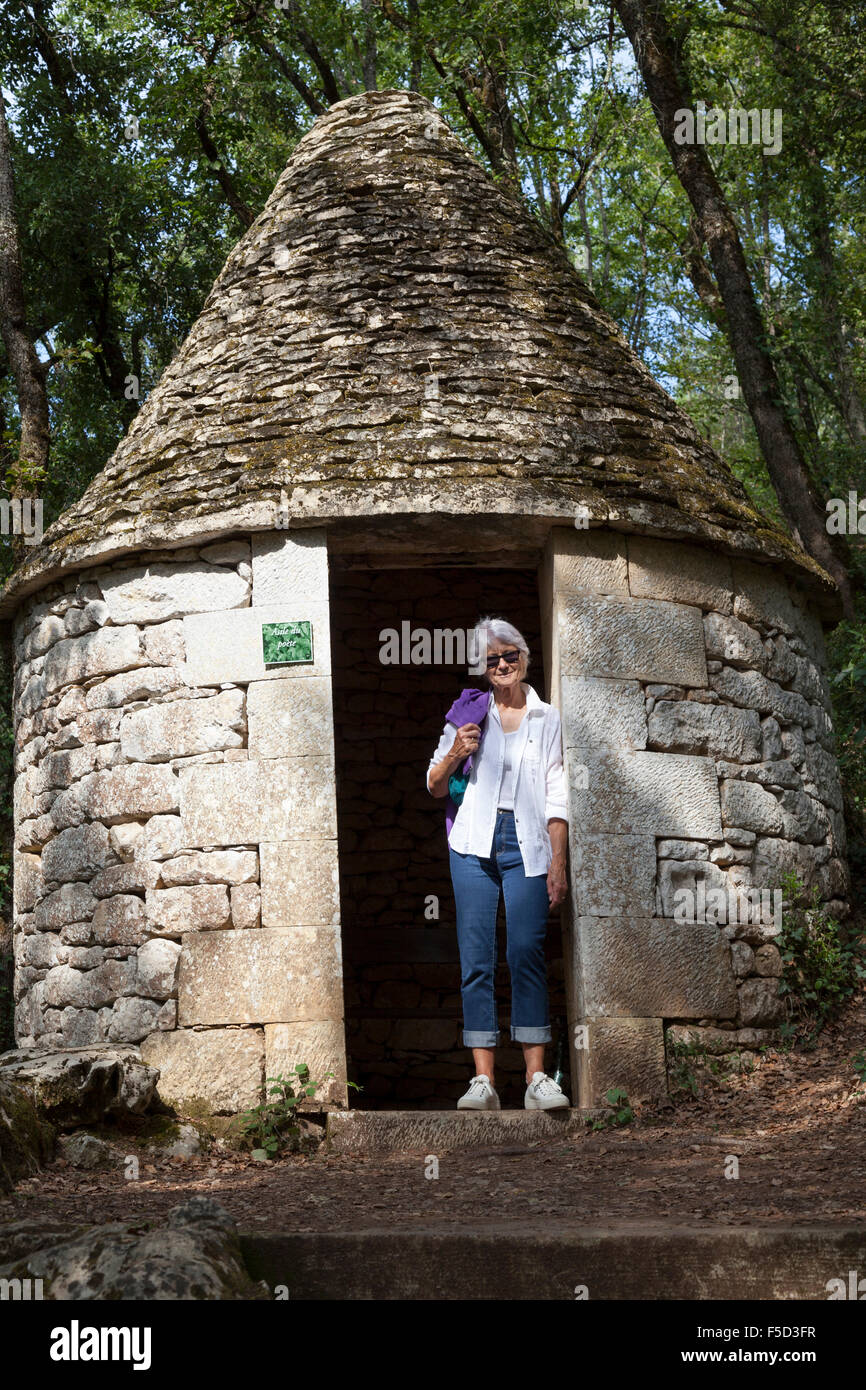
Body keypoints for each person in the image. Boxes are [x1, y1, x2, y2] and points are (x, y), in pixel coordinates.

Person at [426, 616, 569, 1110]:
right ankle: (483, 1082)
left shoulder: (547, 717)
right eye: (493, 660)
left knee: (526, 951)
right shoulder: (468, 712)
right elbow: (434, 784)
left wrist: (558, 860)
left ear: (525, 658)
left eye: (510, 656)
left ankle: (535, 1080)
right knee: (476, 958)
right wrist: (457, 751)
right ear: (483, 669)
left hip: (527, 842)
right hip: (472, 843)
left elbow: (557, 792)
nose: (503, 665)